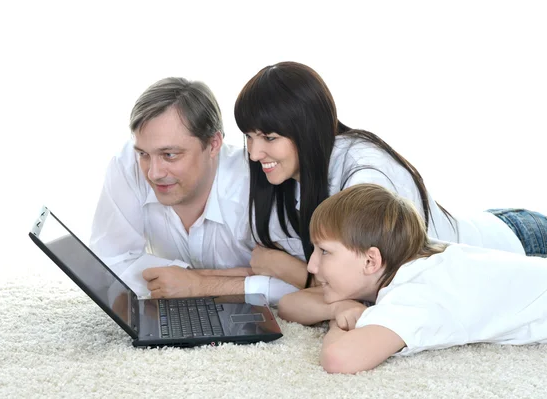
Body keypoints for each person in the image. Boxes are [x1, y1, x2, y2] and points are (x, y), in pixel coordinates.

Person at [234, 61, 547, 293]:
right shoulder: (288, 177)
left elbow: (372, 287)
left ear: (307, 129)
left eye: (270, 138)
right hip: (488, 229)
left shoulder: (365, 176)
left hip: (521, 244)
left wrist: (294, 273)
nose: (254, 153)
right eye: (249, 137)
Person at [281, 183, 547, 374]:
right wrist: (341, 307)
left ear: (371, 261)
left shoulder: (416, 295)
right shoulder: (405, 264)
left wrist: (339, 324)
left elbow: (339, 359)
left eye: (325, 252)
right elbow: (288, 305)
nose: (312, 265)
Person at [89, 77, 297, 305]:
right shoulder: (127, 165)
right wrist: (189, 278)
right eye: (144, 154)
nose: (153, 173)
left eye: (170, 155)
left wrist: (198, 285)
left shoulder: (259, 182)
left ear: (214, 144)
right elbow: (108, 263)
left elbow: (306, 283)